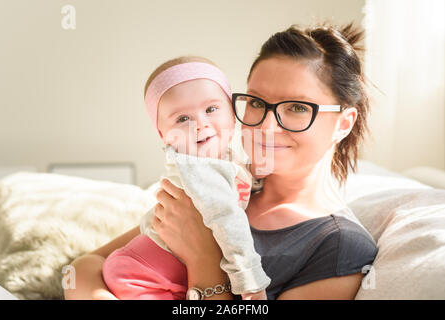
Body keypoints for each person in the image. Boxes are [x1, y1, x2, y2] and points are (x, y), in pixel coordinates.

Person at [64, 23, 378, 300]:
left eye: (296, 107)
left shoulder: (337, 246)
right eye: (256, 102)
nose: (266, 126)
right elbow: (85, 267)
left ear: (343, 123)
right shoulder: (223, 184)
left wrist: (203, 257)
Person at [101, 56, 270, 300]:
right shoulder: (197, 168)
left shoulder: (226, 160)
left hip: (154, 268)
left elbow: (239, 178)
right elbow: (229, 223)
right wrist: (251, 284)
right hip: (145, 275)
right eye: (182, 119)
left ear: (233, 115)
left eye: (211, 109)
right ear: (164, 134)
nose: (200, 124)